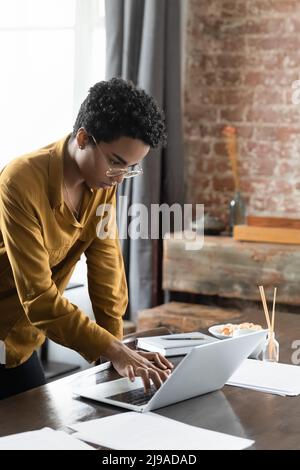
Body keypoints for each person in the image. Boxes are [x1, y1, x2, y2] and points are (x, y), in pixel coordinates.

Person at [0, 77, 173, 400]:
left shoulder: (102, 183)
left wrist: (118, 351)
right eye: (116, 162)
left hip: (22, 341)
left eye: (131, 168)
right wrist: (112, 350)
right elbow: (38, 297)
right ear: (82, 138)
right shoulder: (20, 181)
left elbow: (107, 271)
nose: (120, 177)